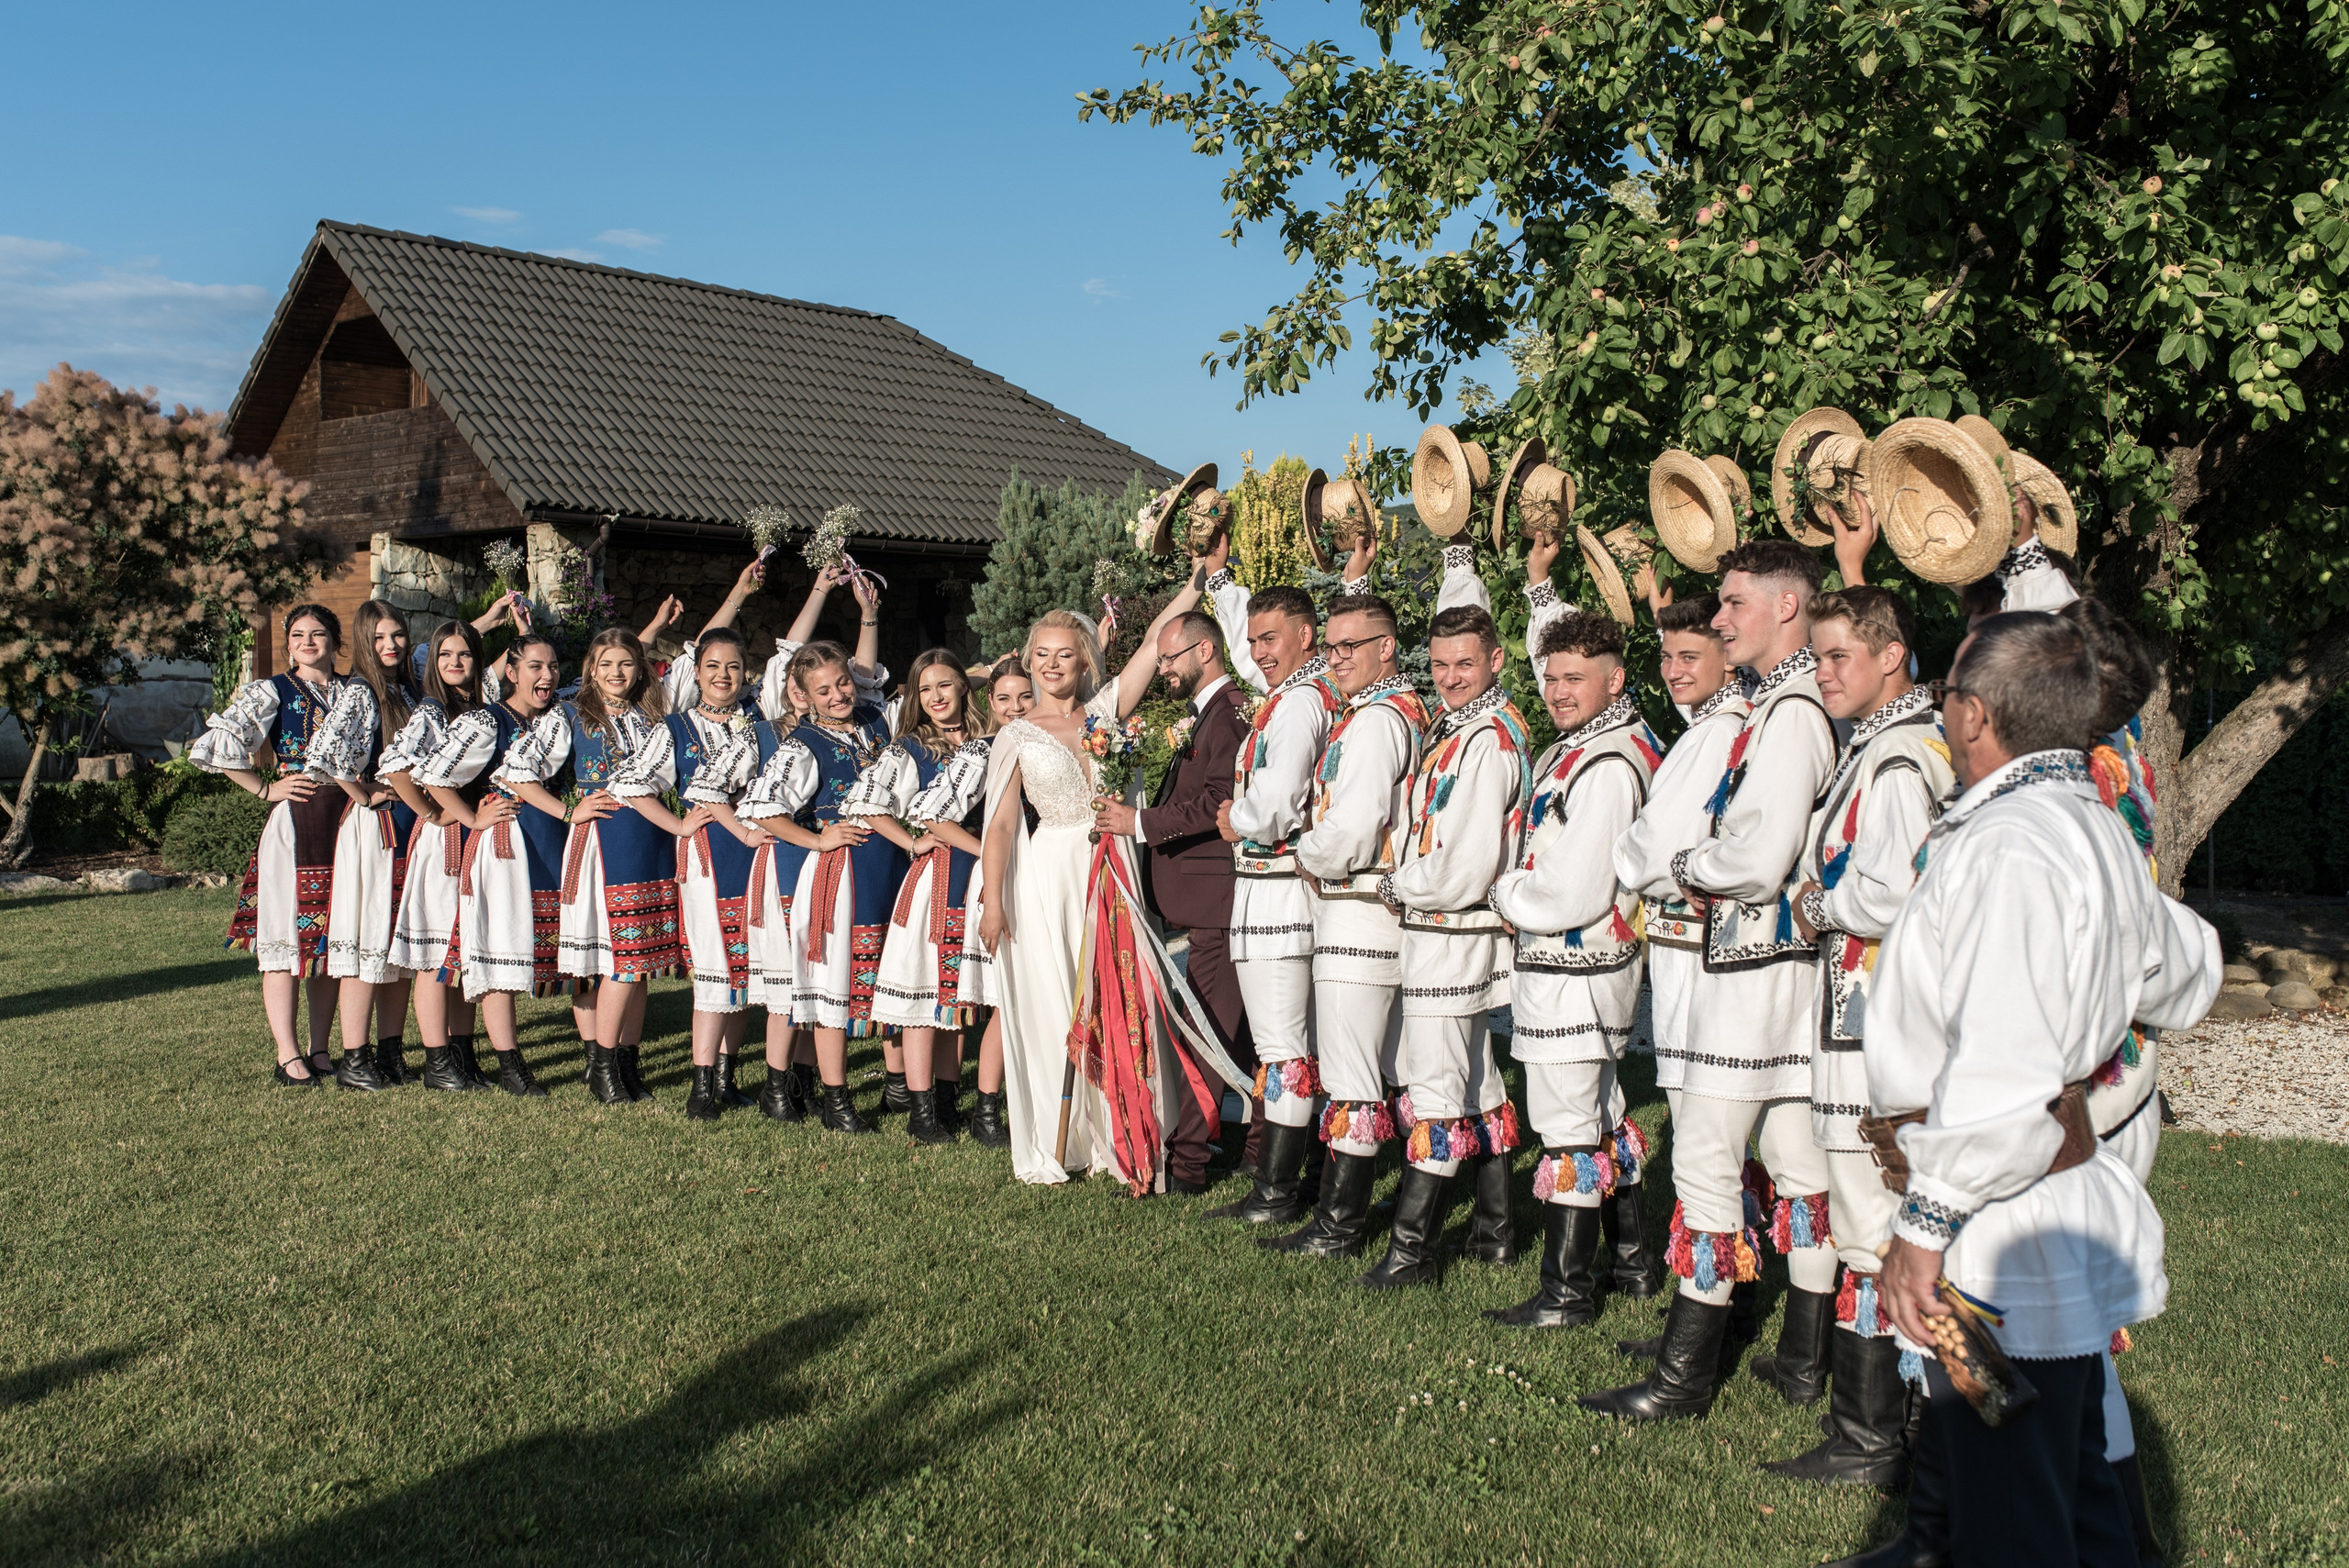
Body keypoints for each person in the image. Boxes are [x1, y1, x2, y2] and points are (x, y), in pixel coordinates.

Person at [1839, 612, 2218, 1568]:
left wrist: (1922, 1230)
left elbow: (2001, 1071)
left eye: (1945, 695)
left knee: (2010, 1522)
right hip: (2040, 1198)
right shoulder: (2087, 822)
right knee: (2076, 1495)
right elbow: (2189, 972)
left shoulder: (2008, 842)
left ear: (1972, 714)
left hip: (2001, 1224)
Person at [1583, 538, 1837, 1421]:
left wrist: (1693, 859)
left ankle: (1686, 1374)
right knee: (1793, 1157)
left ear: (1786, 607)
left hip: (1756, 968)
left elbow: (1760, 857)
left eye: (1733, 604)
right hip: (1760, 962)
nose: (1720, 618)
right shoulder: (1781, 705)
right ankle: (1804, 1355)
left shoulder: (1793, 710)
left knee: (1705, 1160)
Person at [1759, 586, 1953, 1484]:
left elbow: (1893, 889)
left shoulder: (1902, 758)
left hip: (1876, 1026)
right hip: (1854, 1014)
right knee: (1859, 1218)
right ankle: (1885, 1422)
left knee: (1872, 1224)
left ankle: (1874, 1435)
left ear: (1891, 655)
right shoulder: (1878, 747)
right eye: (1819, 653)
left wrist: (1816, 902)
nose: (1821, 669)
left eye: (1837, 655)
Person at [992, 573, 1219, 1186]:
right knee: (1058, 994)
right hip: (1049, 873)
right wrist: (993, 902)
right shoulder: (1014, 734)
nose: (1052, 664)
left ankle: (1126, 1120)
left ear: (1084, 658)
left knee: (1122, 989)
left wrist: (1198, 582)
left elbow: (1153, 643)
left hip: (1110, 860)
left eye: (1065, 653)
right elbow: (1004, 825)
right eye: (1042, 654)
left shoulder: (1104, 713)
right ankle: (1069, 1134)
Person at [1485, 606, 1663, 1328]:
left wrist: (1504, 892)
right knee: (1600, 1110)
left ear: (1614, 678)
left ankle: (1567, 1290)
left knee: (1566, 1122)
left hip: (1577, 965)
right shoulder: (1587, 745)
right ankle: (1632, 1261)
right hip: (1574, 964)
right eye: (1552, 676)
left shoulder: (1610, 763)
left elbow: (1575, 887)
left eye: (1575, 677)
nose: (1558, 690)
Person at [1361, 591, 1532, 1288]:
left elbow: (1465, 865)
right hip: (1448, 930)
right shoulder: (1463, 726)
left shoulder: (1488, 739)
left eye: (1465, 663)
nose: (1450, 676)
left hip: (1450, 927)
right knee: (1474, 1077)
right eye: (1438, 664)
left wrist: (1399, 884)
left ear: (1495, 659)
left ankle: (1412, 1250)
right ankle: (1496, 1229)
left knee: (1434, 1087)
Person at [1265, 573, 1430, 1257]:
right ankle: (1352, 1214)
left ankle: (1340, 1224)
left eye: (1349, 646)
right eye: (1329, 648)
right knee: (1378, 1070)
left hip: (1359, 910)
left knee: (1353, 1074)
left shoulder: (1376, 722)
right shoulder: (1394, 712)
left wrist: (1308, 851)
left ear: (1387, 647)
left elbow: (1356, 825)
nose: (1335, 658)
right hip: (1370, 910)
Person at [1088, 541, 1254, 1192]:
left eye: (1169, 658)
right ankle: (1250, 1145)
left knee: (1210, 1032)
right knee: (1221, 1031)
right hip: (1196, 906)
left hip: (1216, 904)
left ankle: (1188, 1163)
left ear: (1204, 650)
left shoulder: (1231, 714)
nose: (1163, 671)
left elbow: (1220, 801)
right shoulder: (1204, 715)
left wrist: (1140, 824)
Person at [1196, 582, 1340, 1225]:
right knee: (1289, 1045)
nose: (1258, 651)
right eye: (1251, 640)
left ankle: (1277, 1190)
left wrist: (1238, 815)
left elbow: (1279, 799)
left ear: (1306, 635)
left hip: (1280, 893)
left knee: (1284, 1047)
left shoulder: (1302, 702)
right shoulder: (1293, 695)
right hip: (1269, 890)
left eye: (1269, 638)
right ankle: (1295, 1180)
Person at [601, 627, 773, 1119]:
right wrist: (677, 824)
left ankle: (726, 1075)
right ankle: (700, 1087)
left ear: (746, 673)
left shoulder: (759, 723)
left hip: (757, 854)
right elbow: (631, 784)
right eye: (713, 666)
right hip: (707, 856)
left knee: (747, 962)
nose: (723, 676)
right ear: (696, 672)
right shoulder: (675, 728)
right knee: (716, 965)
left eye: (733, 667)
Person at [191, 605, 351, 1086]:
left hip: (347, 822)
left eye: (318, 633)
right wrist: (265, 788)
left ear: (334, 639)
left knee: (330, 939)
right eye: (298, 635)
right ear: (288, 645)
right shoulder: (273, 691)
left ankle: (321, 1048)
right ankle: (288, 1052)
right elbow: (218, 744)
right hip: (295, 823)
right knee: (285, 941)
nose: (308, 642)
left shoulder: (353, 691)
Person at [415, 633, 580, 1095]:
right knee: (496, 950)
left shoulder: (554, 719)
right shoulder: (488, 720)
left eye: (551, 667)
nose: (546, 676)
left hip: (543, 842)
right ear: (511, 672)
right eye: (534, 667)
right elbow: (434, 775)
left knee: (515, 947)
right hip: (503, 844)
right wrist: (471, 818)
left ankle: (469, 1056)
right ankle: (511, 1066)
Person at [851, 650, 984, 1141]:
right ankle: (922, 1111)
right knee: (926, 993)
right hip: (937, 878)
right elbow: (867, 802)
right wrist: (911, 840)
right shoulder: (909, 748)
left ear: (963, 687)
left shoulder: (988, 740)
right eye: (925, 689)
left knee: (958, 994)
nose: (936, 698)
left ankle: (948, 1104)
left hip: (978, 878)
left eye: (945, 685)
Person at [557, 628, 686, 1104]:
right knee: (619, 959)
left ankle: (627, 1064)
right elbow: (518, 770)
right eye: (606, 663)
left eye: (626, 664)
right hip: (606, 841)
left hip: (650, 837)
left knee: (643, 959)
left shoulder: (653, 719)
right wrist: (569, 810)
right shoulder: (571, 715)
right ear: (591, 667)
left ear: (641, 671)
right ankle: (603, 1065)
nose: (616, 673)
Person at [309, 599, 426, 1091]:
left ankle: (390, 1052)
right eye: (378, 638)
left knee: (397, 943)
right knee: (368, 938)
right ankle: (354, 1057)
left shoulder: (406, 687)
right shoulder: (361, 690)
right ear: (361, 642)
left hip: (409, 822)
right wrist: (364, 792)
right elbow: (329, 754)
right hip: (377, 827)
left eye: (396, 635)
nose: (390, 646)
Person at [384, 619, 494, 1092]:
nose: (454, 663)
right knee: (434, 952)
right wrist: (432, 813)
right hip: (445, 840)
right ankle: (436, 1060)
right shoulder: (432, 709)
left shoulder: (478, 708)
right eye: (445, 654)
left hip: (473, 838)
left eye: (464, 655)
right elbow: (396, 766)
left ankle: (463, 1053)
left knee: (464, 947)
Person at [956, 656, 1034, 1148]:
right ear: (990, 701)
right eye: (1004, 698)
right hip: (999, 877)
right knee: (1007, 998)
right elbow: (935, 814)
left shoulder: (1050, 741)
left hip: (1044, 874)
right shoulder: (981, 751)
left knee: (1033, 994)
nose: (1015, 708)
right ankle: (986, 1109)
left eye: (1025, 697)